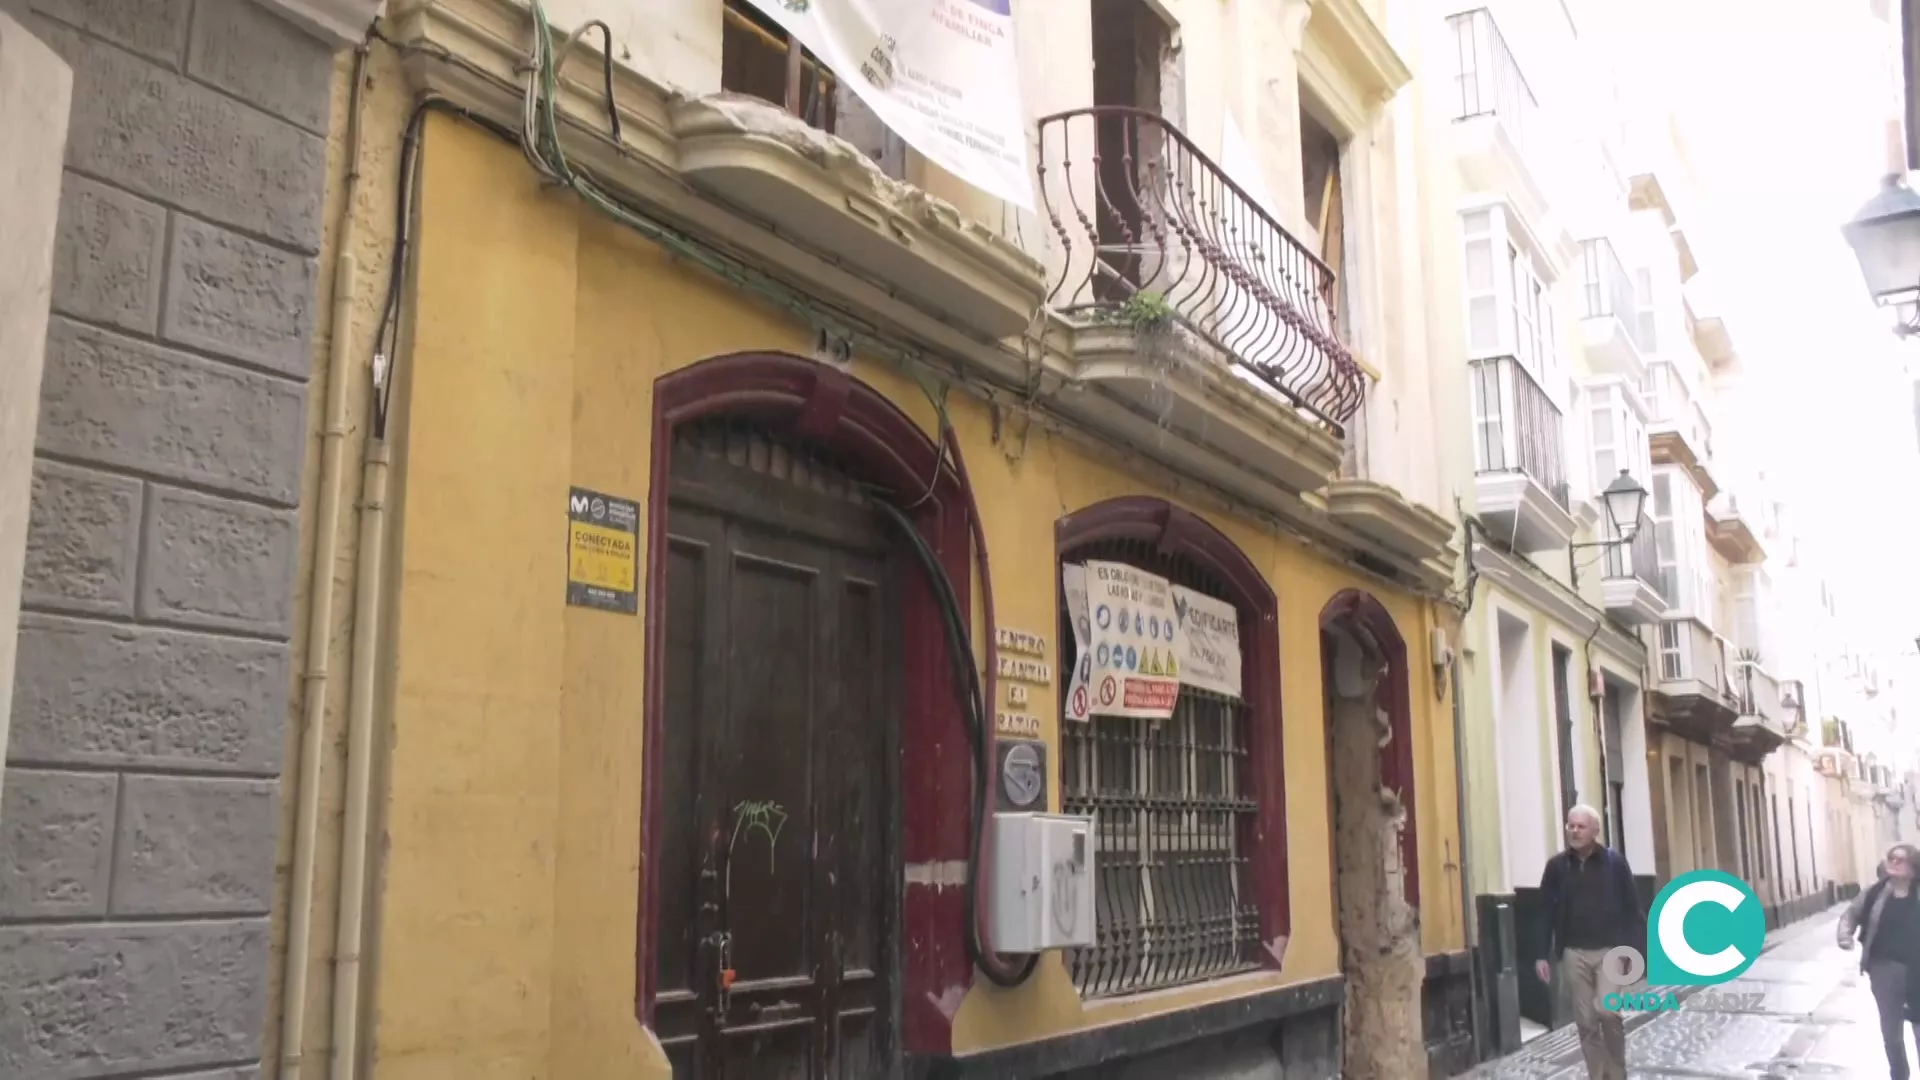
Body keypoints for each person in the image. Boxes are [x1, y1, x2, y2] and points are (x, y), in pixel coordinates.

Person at [1534, 804, 1647, 1080]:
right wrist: (1540, 954)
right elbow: (1544, 911)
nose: (1574, 831)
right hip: (1574, 952)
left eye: (1580, 826)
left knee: (1607, 1012)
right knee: (1585, 1022)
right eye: (1570, 825)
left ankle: (1617, 1071)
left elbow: (1633, 909)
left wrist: (1636, 955)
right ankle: (1598, 1075)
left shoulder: (1614, 863)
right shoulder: (1557, 867)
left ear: (1595, 831)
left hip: (1610, 951)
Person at [1839, 843, 1920, 1079]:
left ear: (1914, 867)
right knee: (1891, 1029)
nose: (1893, 862)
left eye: (1900, 859)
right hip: (1883, 969)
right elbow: (1851, 914)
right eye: (1891, 858)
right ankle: (1899, 1074)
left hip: (1918, 970)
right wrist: (1845, 935)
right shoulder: (1874, 893)